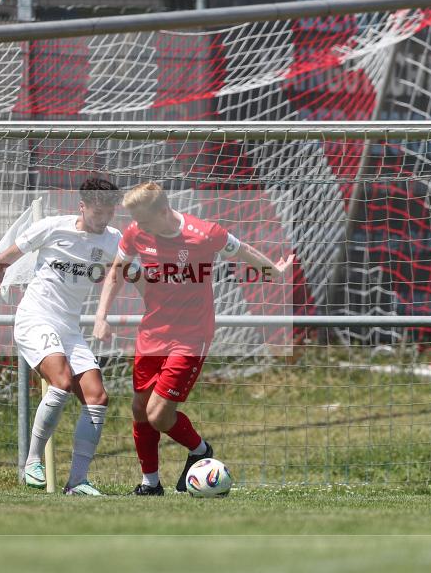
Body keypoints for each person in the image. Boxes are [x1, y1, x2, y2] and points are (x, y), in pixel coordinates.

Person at [93, 182, 294, 495]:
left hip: (191, 336)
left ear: (164, 211)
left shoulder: (204, 233)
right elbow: (117, 271)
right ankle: (150, 484)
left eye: (144, 221)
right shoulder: (136, 232)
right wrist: (101, 316)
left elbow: (242, 251)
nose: (138, 227)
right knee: (139, 408)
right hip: (152, 332)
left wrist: (275, 272)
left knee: (158, 415)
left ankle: (200, 450)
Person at [0, 178, 122, 495]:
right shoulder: (52, 227)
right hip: (35, 318)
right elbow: (3, 259)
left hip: (69, 328)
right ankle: (31, 461)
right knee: (61, 382)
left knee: (97, 398)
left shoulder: (114, 240)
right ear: (83, 207)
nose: (102, 218)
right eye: (97, 211)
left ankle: (77, 481)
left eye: (108, 212)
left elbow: (123, 272)